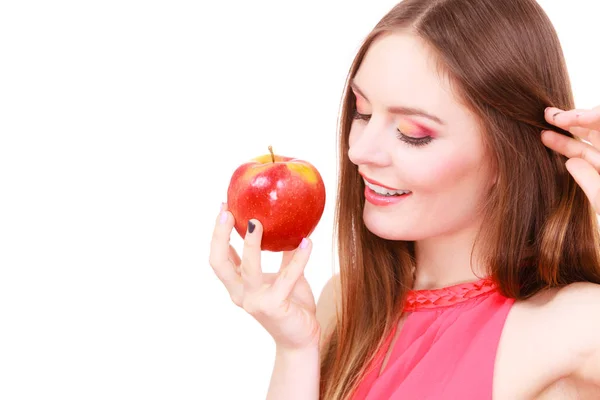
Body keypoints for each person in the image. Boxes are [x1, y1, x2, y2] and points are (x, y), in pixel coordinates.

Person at [209, 0, 600, 398]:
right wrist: (295, 351)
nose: (359, 151)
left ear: (509, 152)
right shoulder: (341, 303)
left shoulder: (575, 325)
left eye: (413, 133)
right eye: (362, 113)